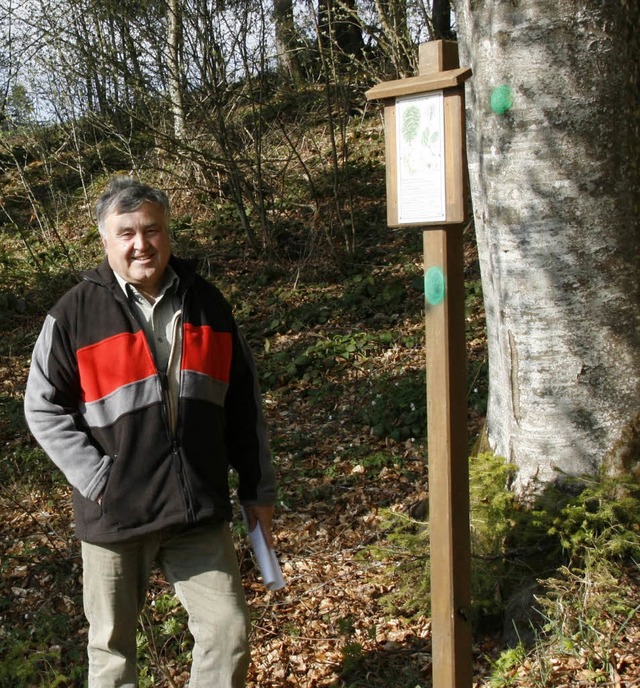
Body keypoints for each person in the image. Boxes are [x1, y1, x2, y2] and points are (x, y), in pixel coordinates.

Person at [24, 176, 276, 688]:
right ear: (106, 240)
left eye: (152, 230)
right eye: (127, 233)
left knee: (228, 632)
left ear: (168, 234)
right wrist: (101, 481)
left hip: (195, 506)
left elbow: (244, 404)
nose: (142, 243)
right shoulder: (74, 313)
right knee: (113, 653)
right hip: (116, 514)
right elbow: (42, 406)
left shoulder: (208, 303)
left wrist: (257, 488)